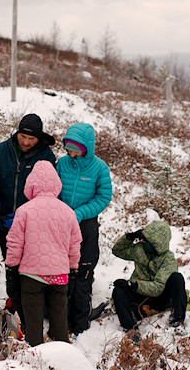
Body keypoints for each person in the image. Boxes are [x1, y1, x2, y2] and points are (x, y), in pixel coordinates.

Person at [0, 113, 56, 326]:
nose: (26, 142)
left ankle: (30, 307)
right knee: (11, 263)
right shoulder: (1, 151)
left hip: (32, 225)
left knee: (29, 266)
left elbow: (49, 191)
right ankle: (14, 299)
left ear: (39, 138)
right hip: (5, 221)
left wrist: (26, 214)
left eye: (31, 139)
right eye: (23, 136)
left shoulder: (46, 157)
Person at [5, 160, 82, 346]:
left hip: (31, 276)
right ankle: (62, 353)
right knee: (60, 321)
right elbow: (75, 245)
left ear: (31, 184)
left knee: (33, 323)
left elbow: (15, 243)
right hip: (59, 276)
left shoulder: (24, 211)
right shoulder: (68, 212)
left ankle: (35, 356)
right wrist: (73, 269)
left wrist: (11, 267)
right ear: (56, 184)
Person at [56, 122, 112, 336]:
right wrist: (59, 209)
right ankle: (60, 316)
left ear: (87, 147)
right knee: (62, 271)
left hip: (86, 225)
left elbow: (103, 197)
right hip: (61, 224)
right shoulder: (62, 164)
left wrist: (79, 213)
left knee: (83, 271)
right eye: (68, 147)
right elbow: (54, 188)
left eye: (75, 148)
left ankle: (80, 322)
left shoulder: (99, 168)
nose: (71, 152)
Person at [111, 220, 188, 338]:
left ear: (156, 244)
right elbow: (117, 250)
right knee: (118, 290)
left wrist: (133, 285)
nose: (141, 241)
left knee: (177, 278)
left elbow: (158, 287)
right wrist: (129, 237)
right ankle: (131, 329)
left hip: (160, 298)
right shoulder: (139, 250)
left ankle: (177, 322)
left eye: (145, 240)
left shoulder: (168, 259)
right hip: (140, 296)